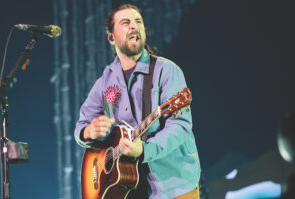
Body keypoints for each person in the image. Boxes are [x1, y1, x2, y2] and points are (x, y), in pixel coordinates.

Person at [74, 4, 201, 199]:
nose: (134, 26)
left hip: (174, 186)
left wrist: (144, 150)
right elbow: (81, 126)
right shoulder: (104, 83)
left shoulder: (166, 71)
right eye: (126, 23)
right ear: (111, 37)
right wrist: (87, 131)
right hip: (129, 190)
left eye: (138, 22)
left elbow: (180, 126)